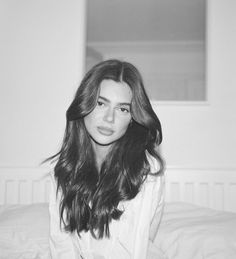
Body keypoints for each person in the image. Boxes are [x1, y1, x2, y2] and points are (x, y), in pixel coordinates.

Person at [48, 59, 165, 259]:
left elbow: (135, 248)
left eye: (122, 109)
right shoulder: (63, 167)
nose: (109, 118)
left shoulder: (145, 170)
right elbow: (62, 243)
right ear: (84, 105)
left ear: (132, 118)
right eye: (101, 103)